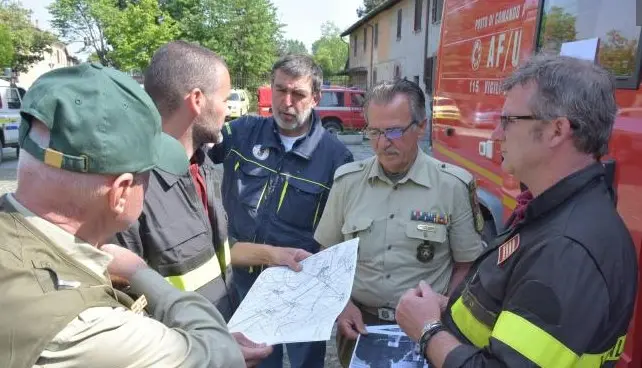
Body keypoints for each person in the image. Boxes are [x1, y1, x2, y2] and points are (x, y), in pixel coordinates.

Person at [0, 63, 269, 368]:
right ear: (121, 192)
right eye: (149, 174)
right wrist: (138, 273)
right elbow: (220, 352)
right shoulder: (86, 327)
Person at [395, 55, 639, 367]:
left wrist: (428, 331)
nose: (496, 135)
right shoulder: (550, 212)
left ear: (556, 130)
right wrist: (451, 309)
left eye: (509, 121)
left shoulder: (566, 250)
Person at [114, 41, 310, 325]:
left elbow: (215, 252)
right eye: (224, 99)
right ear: (197, 100)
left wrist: (274, 255)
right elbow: (125, 313)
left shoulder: (203, 167)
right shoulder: (131, 190)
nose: (228, 110)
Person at [313, 79, 485, 367]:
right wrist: (342, 307)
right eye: (374, 131)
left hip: (426, 329)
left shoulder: (453, 185)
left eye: (393, 130)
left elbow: (467, 265)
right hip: (360, 326)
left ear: (421, 127)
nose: (382, 142)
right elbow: (326, 255)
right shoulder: (347, 182)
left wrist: (441, 317)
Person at [209, 54, 354, 368]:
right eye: (280, 90)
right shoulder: (244, 132)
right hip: (242, 277)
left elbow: (343, 232)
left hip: (301, 285)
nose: (286, 102)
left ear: (315, 98)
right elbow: (195, 149)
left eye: (298, 94)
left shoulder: (337, 158)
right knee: (256, 361)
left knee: (306, 363)